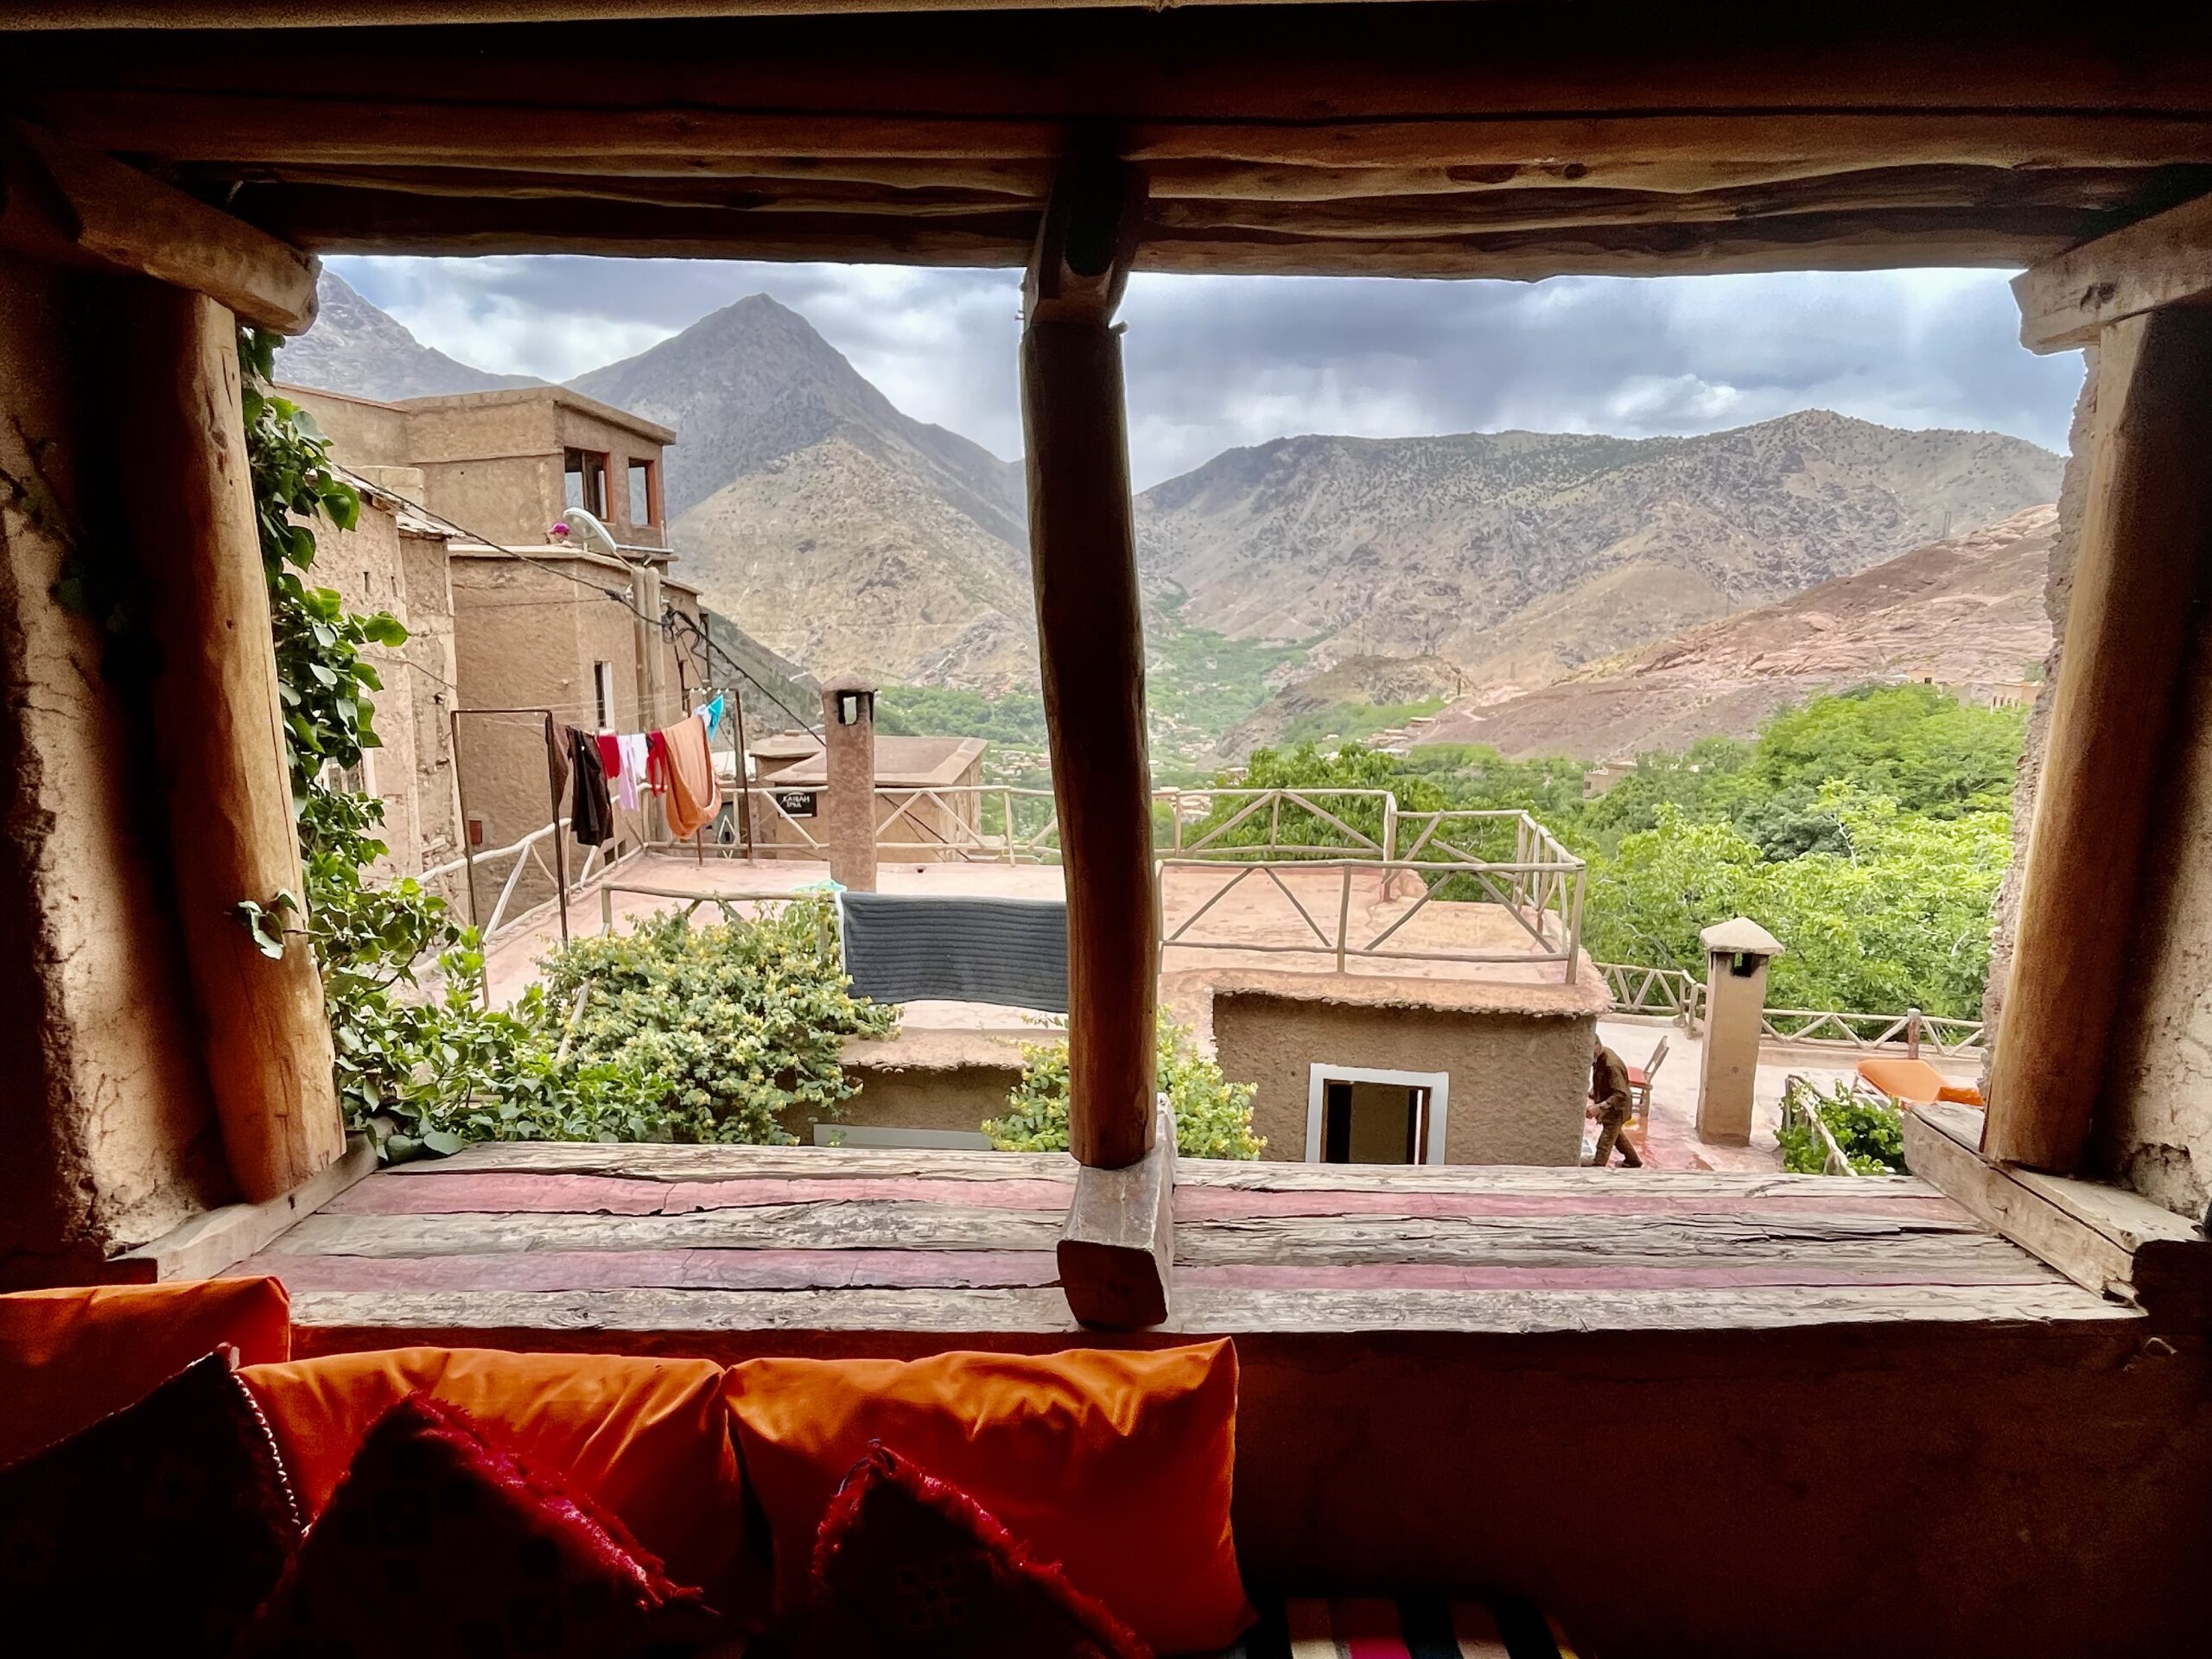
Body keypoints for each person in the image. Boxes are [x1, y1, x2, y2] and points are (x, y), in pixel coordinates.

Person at [1589, 1037, 1643, 1168]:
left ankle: (1597, 1168)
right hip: (1611, 1105)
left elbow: (1621, 1093)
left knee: (1605, 1142)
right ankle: (1633, 1161)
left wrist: (1598, 1107)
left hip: (1617, 1108)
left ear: (1596, 1045)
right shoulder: (1600, 1056)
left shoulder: (1611, 1065)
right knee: (1617, 1137)